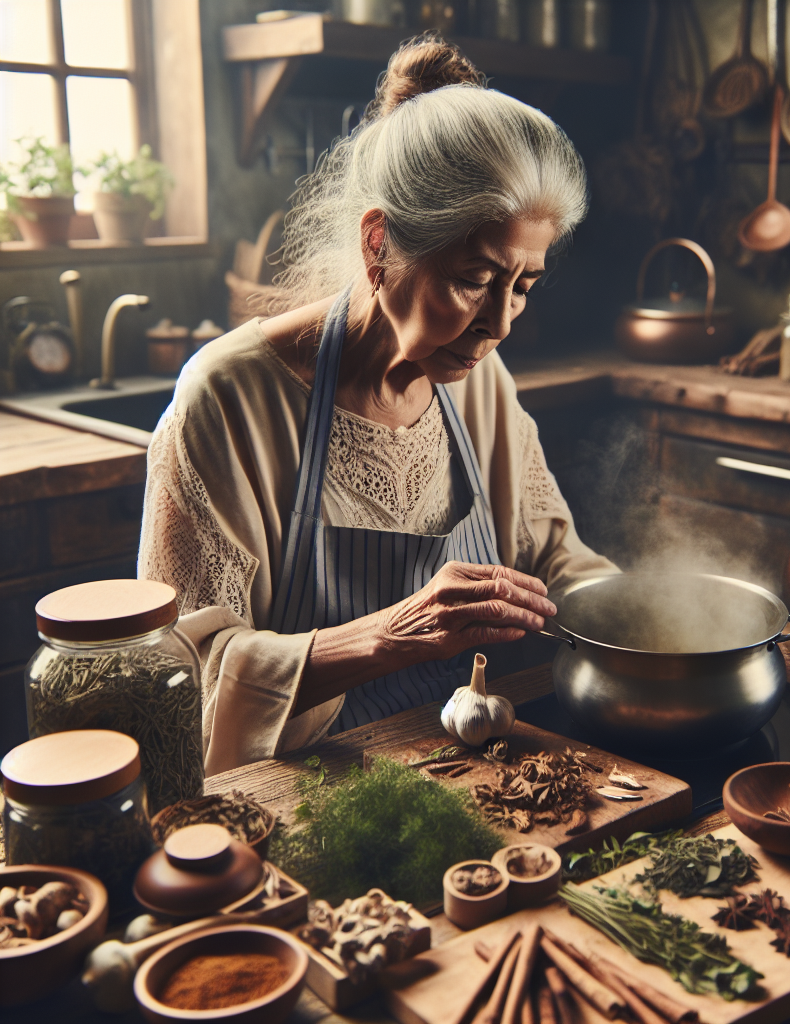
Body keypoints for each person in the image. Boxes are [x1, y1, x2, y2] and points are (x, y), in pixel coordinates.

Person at [139, 36, 616, 775]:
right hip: (302, 794)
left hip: (475, 771)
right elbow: (182, 673)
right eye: (474, 278)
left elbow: (555, 559)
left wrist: (639, 616)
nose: (501, 323)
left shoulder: (479, 383)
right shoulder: (230, 400)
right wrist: (391, 634)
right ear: (380, 244)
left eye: (522, 285)